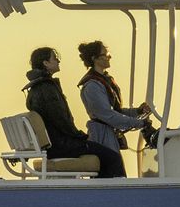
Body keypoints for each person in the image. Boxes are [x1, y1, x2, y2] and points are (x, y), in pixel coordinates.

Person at [23, 46, 123, 178]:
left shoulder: (35, 89)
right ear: (45, 63)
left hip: (55, 144)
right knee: (112, 158)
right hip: (61, 145)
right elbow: (61, 120)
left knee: (102, 153)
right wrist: (80, 136)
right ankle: (110, 195)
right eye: (55, 58)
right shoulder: (46, 88)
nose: (58, 61)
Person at [75, 41, 151, 179]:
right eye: (106, 54)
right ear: (95, 58)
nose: (109, 57)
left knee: (116, 175)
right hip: (102, 137)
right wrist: (139, 123)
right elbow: (107, 115)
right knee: (110, 175)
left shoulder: (105, 80)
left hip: (110, 135)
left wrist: (137, 112)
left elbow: (116, 111)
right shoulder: (92, 85)